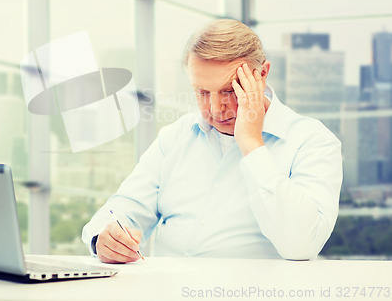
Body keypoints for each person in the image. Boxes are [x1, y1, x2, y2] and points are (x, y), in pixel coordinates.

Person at [82, 19, 343, 263]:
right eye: (203, 92)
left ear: (262, 75)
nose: (216, 108)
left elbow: (301, 246)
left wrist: (252, 144)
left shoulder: (312, 142)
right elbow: (124, 208)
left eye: (230, 90)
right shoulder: (176, 136)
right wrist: (103, 238)